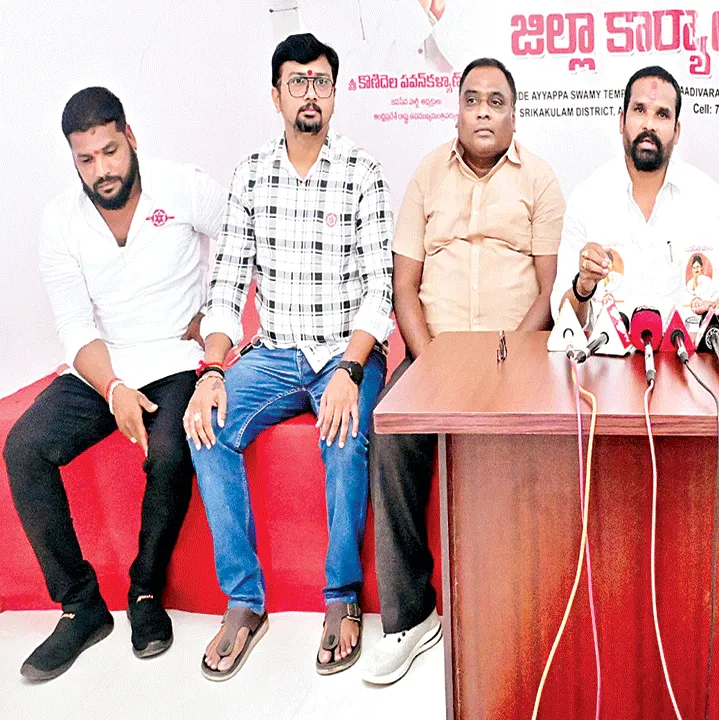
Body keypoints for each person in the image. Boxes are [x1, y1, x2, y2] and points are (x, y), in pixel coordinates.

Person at [183, 33, 395, 680]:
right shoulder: (251, 174)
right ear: (276, 96)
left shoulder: (362, 171)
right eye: (297, 82)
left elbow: (379, 290)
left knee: (344, 432)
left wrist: (351, 370)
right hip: (275, 353)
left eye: (321, 82)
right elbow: (226, 288)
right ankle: (244, 601)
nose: (310, 94)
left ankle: (341, 597)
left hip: (346, 351)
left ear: (335, 94)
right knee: (206, 425)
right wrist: (212, 371)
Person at [6, 87, 224, 681]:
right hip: (103, 363)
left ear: (130, 137)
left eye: (109, 151)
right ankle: (81, 606)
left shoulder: (182, 186)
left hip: (176, 355)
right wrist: (113, 389)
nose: (101, 169)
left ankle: (145, 590)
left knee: (174, 448)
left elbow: (245, 239)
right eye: (86, 159)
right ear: (73, 159)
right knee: (24, 448)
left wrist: (216, 315)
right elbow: (75, 325)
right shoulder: (60, 220)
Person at [363, 57, 565, 685]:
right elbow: (404, 285)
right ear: (456, 110)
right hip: (433, 351)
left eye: (496, 102)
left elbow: (548, 292)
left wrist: (509, 360)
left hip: (516, 355)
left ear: (514, 116)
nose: (483, 111)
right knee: (390, 436)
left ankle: (526, 605)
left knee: (543, 449)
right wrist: (431, 364)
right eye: (472, 99)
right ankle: (411, 616)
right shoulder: (427, 175)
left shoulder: (540, 181)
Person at [551, 65, 719, 335]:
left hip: (686, 357)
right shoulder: (588, 197)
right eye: (639, 110)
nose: (649, 124)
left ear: (676, 131)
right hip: (607, 358)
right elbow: (563, 320)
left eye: (662, 114)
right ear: (621, 121)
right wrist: (583, 287)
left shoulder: (705, 196)